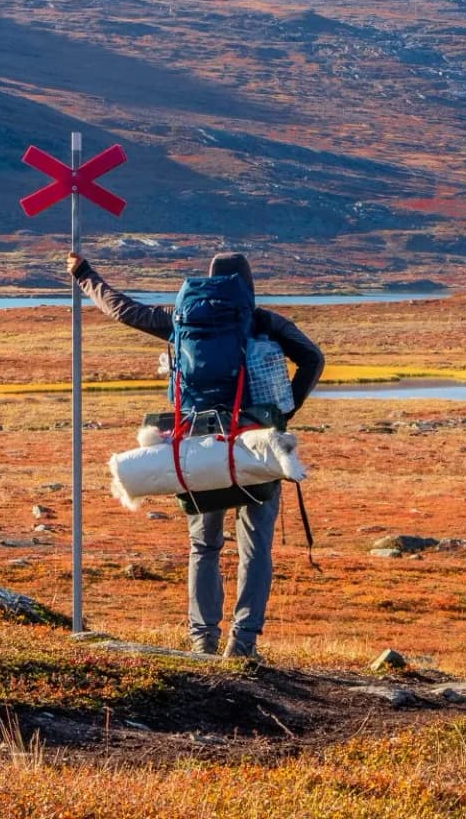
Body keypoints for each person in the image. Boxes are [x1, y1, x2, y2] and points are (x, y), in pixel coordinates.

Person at [66, 251, 324, 659]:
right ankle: (242, 644)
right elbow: (313, 358)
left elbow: (123, 310)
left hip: (198, 448)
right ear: (247, 283)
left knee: (204, 546)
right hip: (256, 444)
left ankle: (202, 640)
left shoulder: (182, 317)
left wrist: (84, 275)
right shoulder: (261, 320)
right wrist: (286, 409)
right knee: (256, 547)